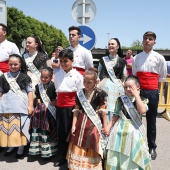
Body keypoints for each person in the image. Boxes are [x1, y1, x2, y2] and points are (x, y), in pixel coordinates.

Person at [103, 75, 151, 170]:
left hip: (134, 131)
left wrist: (136, 95)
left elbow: (142, 110)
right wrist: (108, 127)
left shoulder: (143, 99)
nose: (128, 89)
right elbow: (116, 114)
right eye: (125, 87)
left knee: (132, 152)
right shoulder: (121, 99)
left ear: (137, 86)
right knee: (117, 152)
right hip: (119, 130)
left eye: (130, 87)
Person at [132, 31, 167, 160]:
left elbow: (162, 76)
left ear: (154, 42)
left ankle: (152, 146)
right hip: (139, 91)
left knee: (151, 120)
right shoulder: (137, 58)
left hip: (152, 91)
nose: (148, 41)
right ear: (142, 41)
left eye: (150, 39)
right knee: (137, 118)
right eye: (146, 38)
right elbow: (135, 75)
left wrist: (152, 87)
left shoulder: (159, 57)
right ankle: (137, 144)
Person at [67, 68, 108, 170]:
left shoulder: (100, 94)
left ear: (96, 82)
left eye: (89, 82)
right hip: (81, 122)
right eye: (84, 81)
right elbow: (76, 110)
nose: (86, 84)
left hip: (93, 122)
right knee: (77, 141)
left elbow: (103, 112)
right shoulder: (80, 93)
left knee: (92, 140)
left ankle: (90, 165)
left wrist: (105, 126)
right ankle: (77, 165)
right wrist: (73, 125)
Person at [0, 54, 34, 159]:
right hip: (6, 106)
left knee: (19, 128)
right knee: (8, 127)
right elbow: (0, 91)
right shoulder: (4, 76)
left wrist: (30, 105)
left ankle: (20, 148)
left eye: (16, 64)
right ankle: (11, 146)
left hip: (19, 106)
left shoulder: (25, 77)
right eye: (11, 64)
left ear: (20, 64)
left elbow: (30, 92)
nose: (13, 66)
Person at [54, 49, 84, 166]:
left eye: (66, 61)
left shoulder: (77, 76)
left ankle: (71, 157)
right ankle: (62, 156)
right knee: (60, 132)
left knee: (70, 132)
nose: (63, 64)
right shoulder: (57, 75)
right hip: (60, 106)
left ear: (72, 61)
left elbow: (80, 94)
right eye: (61, 61)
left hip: (71, 107)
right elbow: (58, 91)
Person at [29, 67, 57, 158]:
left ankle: (49, 152)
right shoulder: (38, 86)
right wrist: (37, 102)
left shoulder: (54, 85)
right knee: (38, 129)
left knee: (48, 129)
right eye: (42, 77)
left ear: (51, 77)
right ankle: (38, 150)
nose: (43, 79)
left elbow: (56, 97)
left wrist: (54, 101)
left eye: (46, 77)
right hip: (39, 111)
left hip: (49, 111)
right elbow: (37, 96)